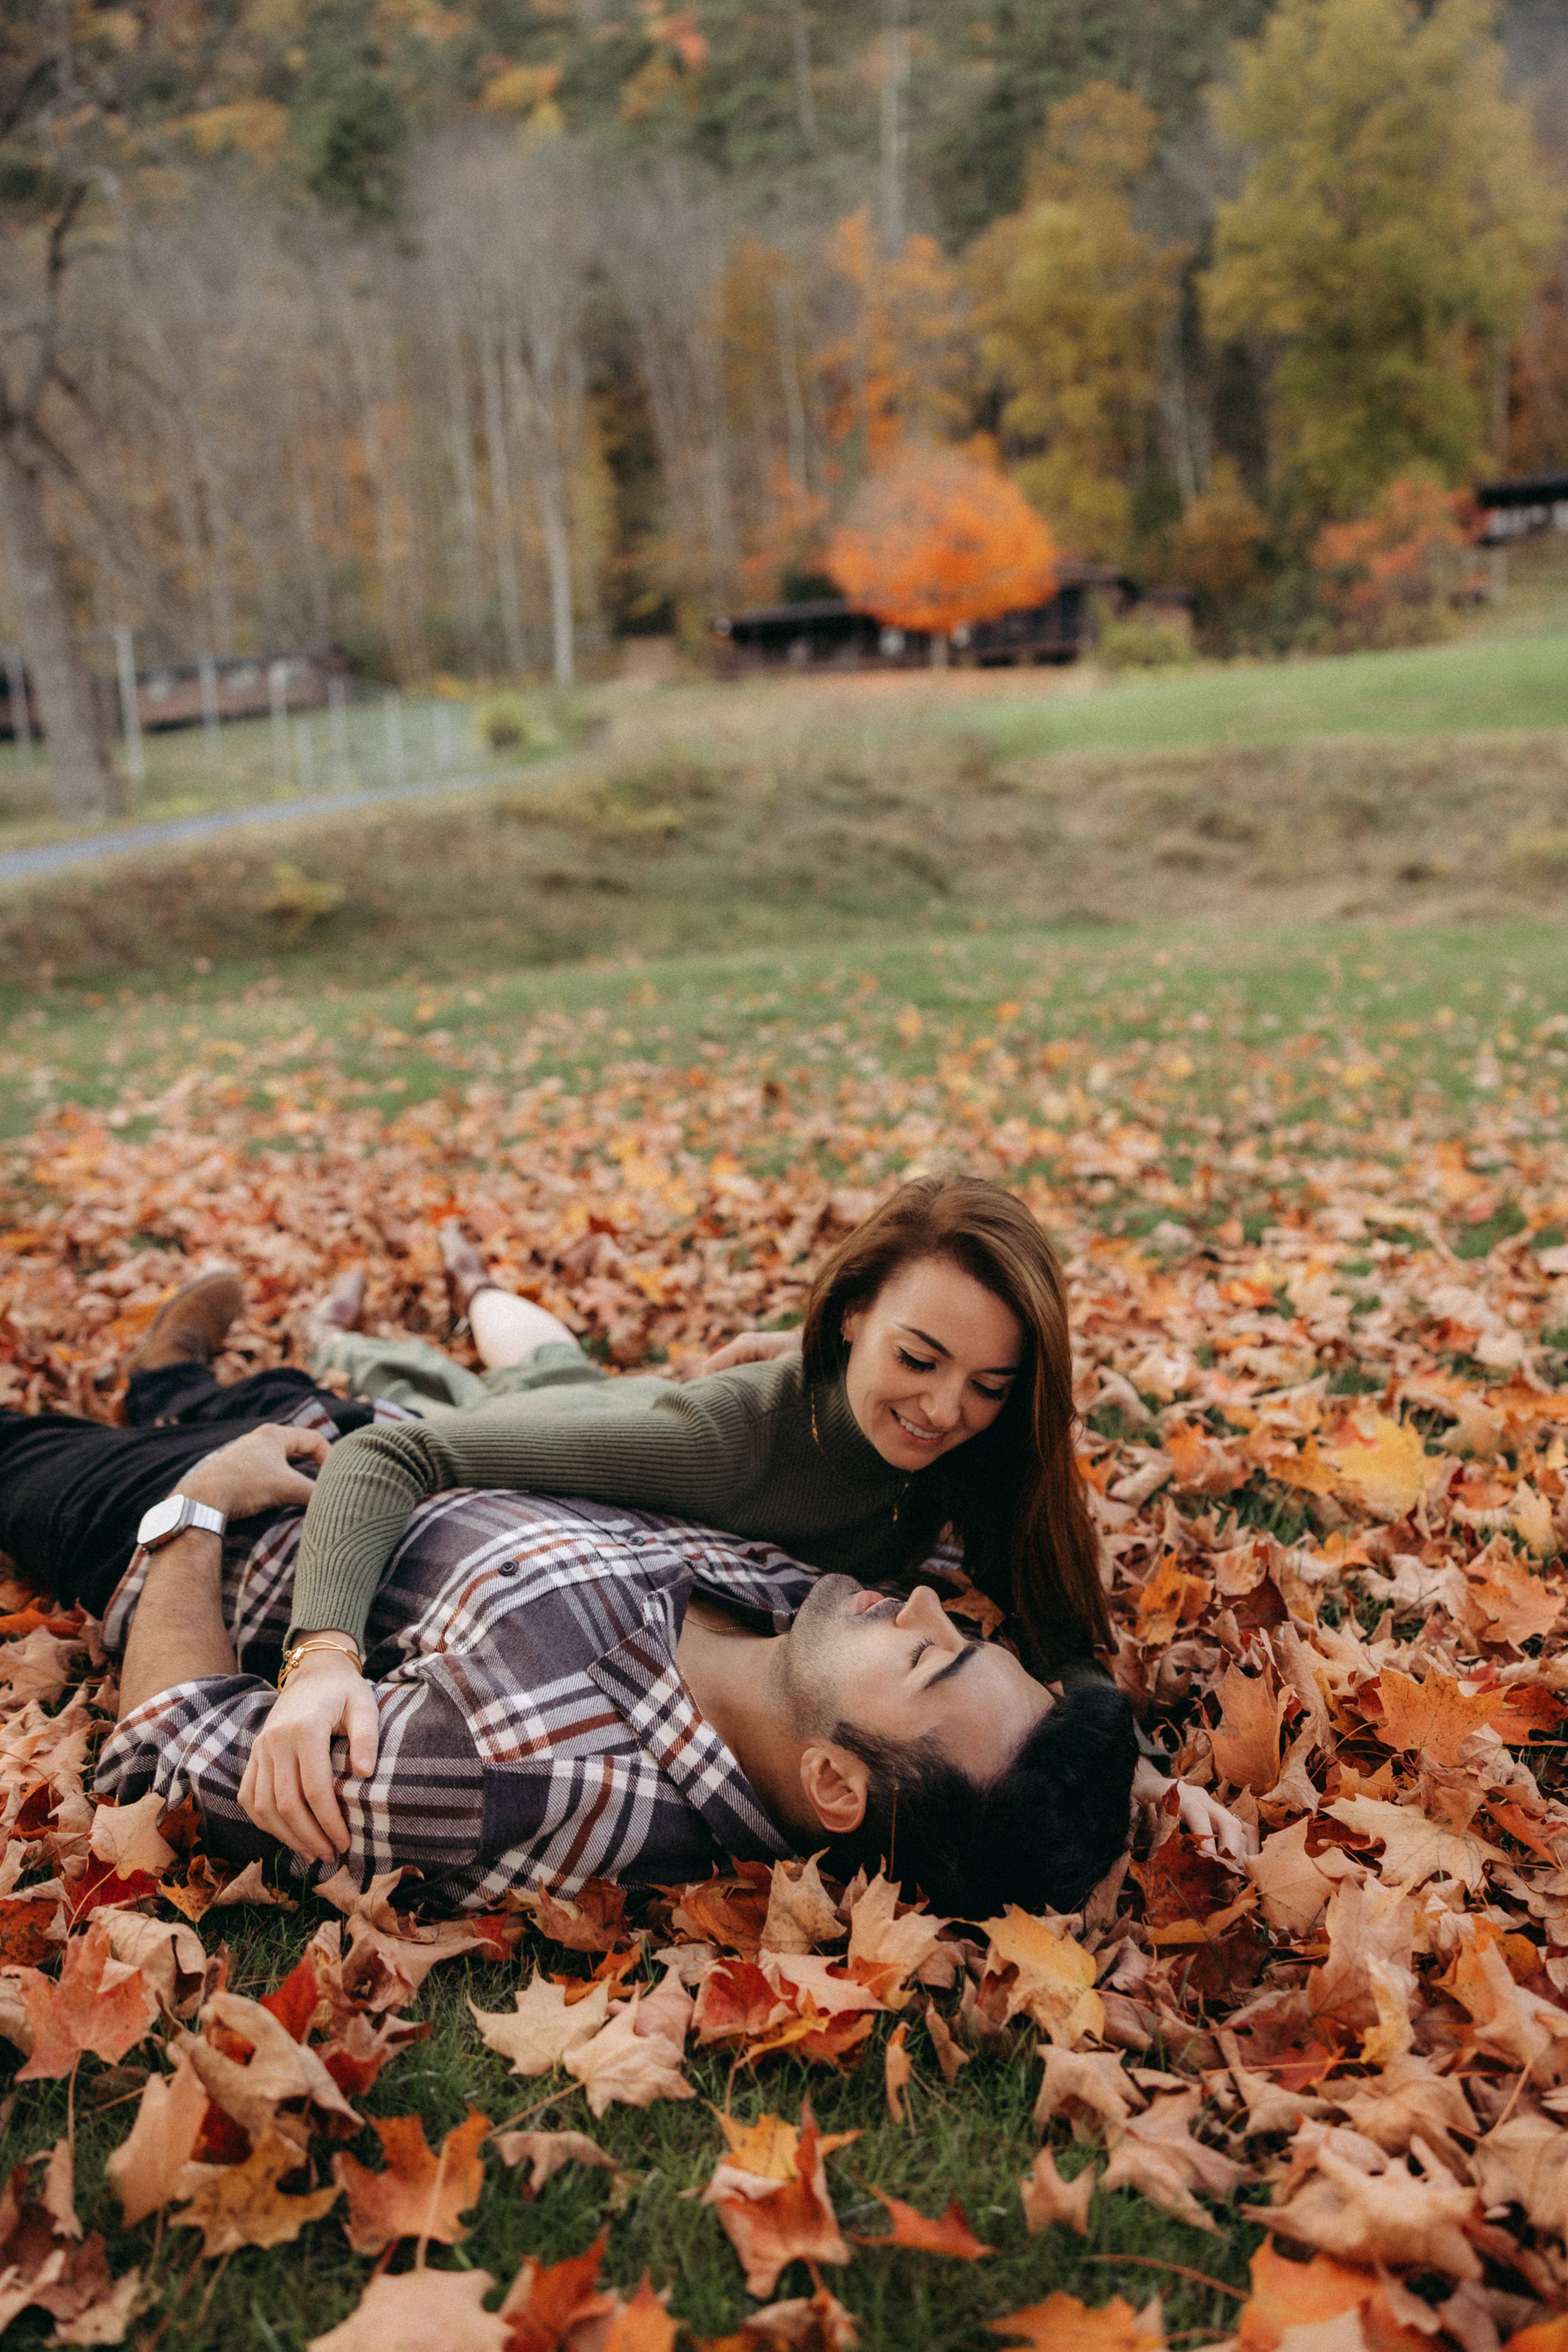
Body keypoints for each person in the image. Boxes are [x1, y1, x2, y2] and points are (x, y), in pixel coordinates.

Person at [0, 1338, 1140, 1920]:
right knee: (231, 1388)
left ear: (836, 1785)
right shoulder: (807, 1632)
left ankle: (173, 1414)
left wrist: (195, 1506)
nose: (930, 1608)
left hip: (231, 1517)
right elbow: (998, 1555)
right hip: (372, 1433)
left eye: (931, 1654)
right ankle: (174, 1376)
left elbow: (167, 1750)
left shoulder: (506, 1768)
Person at [256, 1174, 1117, 1856]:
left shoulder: (976, 1448)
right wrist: (322, 1657)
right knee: (469, 1391)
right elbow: (392, 1455)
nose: (945, 1409)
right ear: (853, 1314)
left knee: (552, 1359)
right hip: (599, 1439)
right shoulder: (722, 1445)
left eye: (988, 1385)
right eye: (919, 1359)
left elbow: (1055, 1623)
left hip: (617, 1399)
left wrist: (1119, 1767)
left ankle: (475, 1281)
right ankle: (335, 1330)